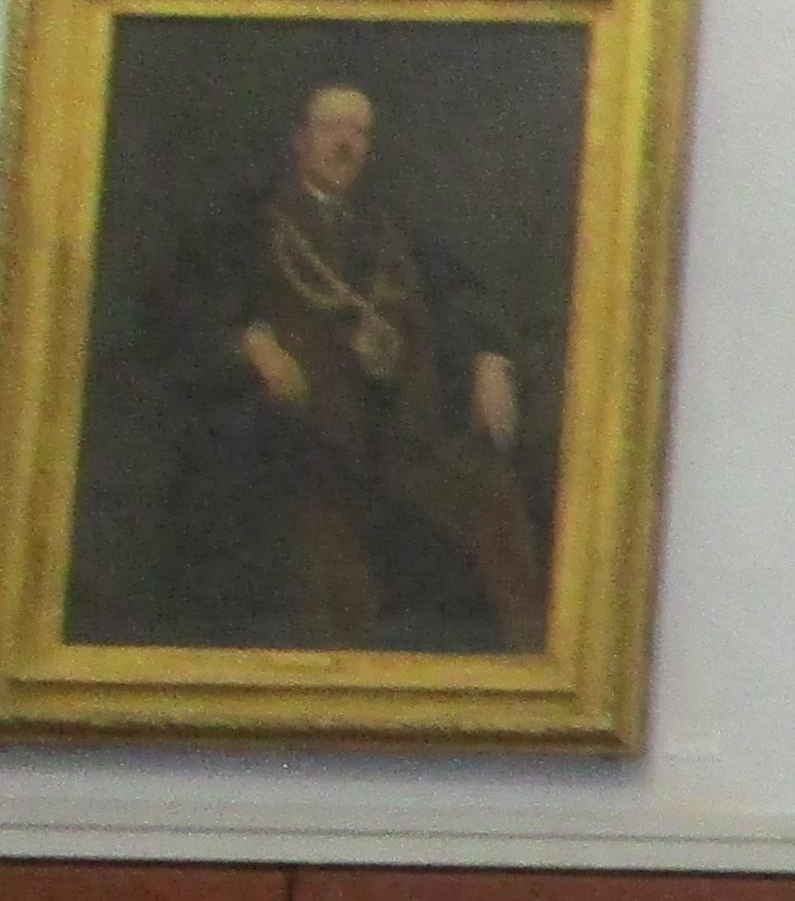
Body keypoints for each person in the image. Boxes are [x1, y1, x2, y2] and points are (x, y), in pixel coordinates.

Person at [146, 81, 542, 652]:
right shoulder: (252, 222)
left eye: (359, 132)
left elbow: (460, 293)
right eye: (331, 128)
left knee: (496, 497)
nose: (345, 144)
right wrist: (251, 342)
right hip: (301, 437)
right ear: (300, 140)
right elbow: (182, 304)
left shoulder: (388, 228)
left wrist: (488, 358)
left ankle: (530, 669)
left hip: (397, 434)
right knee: (325, 559)